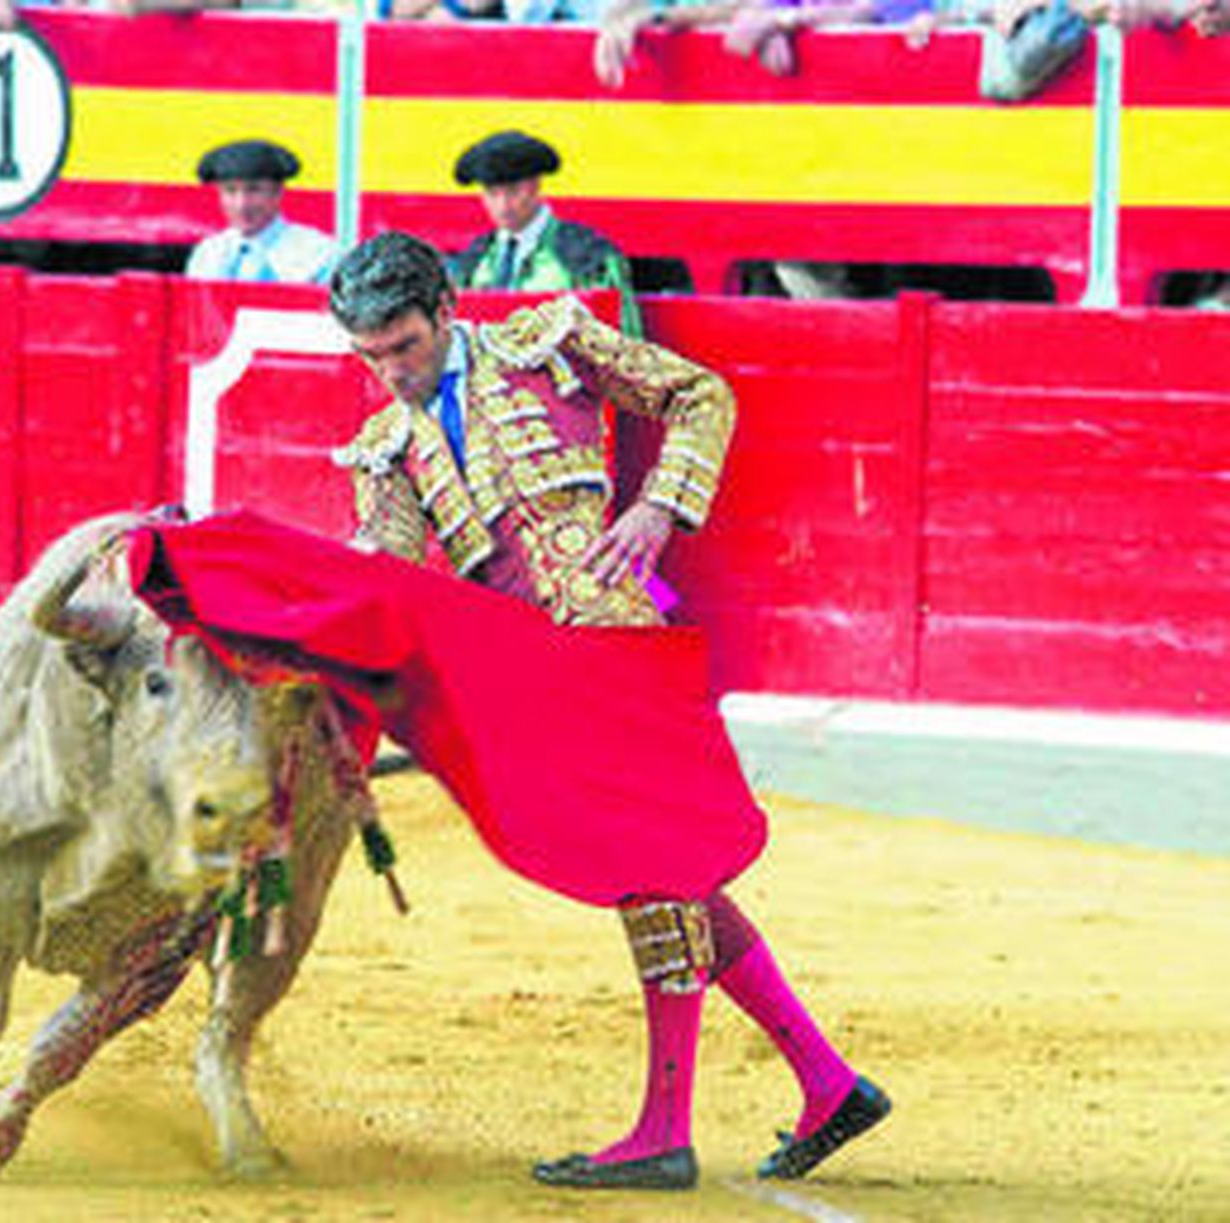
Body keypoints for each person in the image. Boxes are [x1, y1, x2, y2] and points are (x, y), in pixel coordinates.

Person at [328, 230, 890, 1190]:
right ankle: (827, 1082)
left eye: (404, 347)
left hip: (615, 637)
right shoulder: (385, 447)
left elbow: (700, 394)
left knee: (651, 873)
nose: (391, 373)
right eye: (371, 355)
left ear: (447, 311)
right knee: (668, 874)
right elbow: (387, 564)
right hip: (529, 678)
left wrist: (658, 510)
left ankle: (668, 1129)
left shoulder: (552, 343)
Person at [447, 131, 644, 337]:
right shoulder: (475, 260)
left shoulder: (588, 258)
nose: (503, 205)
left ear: (534, 186)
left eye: (514, 191)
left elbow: (624, 344)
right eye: (492, 193)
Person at [183, 140, 340, 286]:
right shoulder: (208, 254)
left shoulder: (317, 253)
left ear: (277, 192)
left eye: (254, 190)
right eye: (230, 191)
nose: (241, 204)